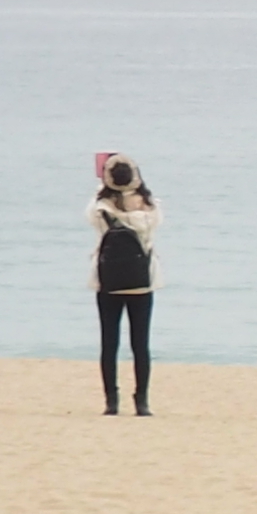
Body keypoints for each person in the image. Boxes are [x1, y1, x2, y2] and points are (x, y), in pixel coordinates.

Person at [90, 155, 158, 416]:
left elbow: (91, 218)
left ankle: (112, 401)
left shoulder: (101, 207)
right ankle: (142, 401)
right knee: (140, 344)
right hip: (141, 282)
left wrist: (101, 188)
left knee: (109, 344)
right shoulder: (149, 208)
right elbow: (155, 226)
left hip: (109, 282)